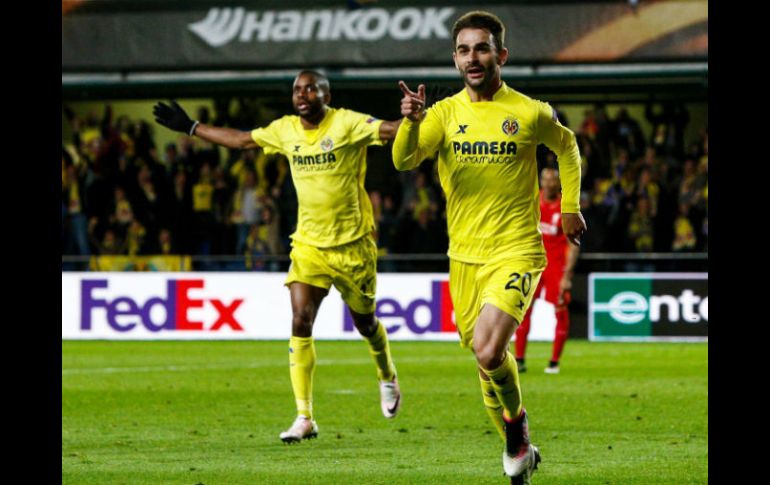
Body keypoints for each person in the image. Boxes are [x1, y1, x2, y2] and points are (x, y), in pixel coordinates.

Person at [153, 70, 403, 444]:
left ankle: (386, 374)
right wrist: (190, 127)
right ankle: (304, 416)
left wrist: (419, 117)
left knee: (366, 324)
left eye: (310, 88)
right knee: (301, 319)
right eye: (296, 89)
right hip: (309, 247)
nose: (302, 94)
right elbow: (240, 141)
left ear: (326, 94)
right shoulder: (285, 129)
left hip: (353, 247)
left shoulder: (347, 122)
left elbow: (391, 130)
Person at [392, 11, 585, 484]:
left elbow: (568, 146)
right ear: (455, 59)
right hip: (464, 257)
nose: (472, 58)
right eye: (463, 50)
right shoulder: (442, 115)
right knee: (487, 363)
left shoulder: (529, 111)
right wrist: (411, 123)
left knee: (487, 348)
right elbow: (402, 160)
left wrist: (570, 206)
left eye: (482, 48)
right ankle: (516, 439)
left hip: (517, 248)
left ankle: (516, 427)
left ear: (501, 55)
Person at [513, 167, 580, 375]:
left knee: (560, 312)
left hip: (556, 267)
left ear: (558, 183)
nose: (549, 183)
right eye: (546, 179)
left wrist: (568, 275)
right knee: (523, 311)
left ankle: (554, 362)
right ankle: (520, 359)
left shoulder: (566, 207)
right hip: (533, 265)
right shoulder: (531, 201)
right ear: (541, 181)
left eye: (553, 180)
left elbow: (574, 243)